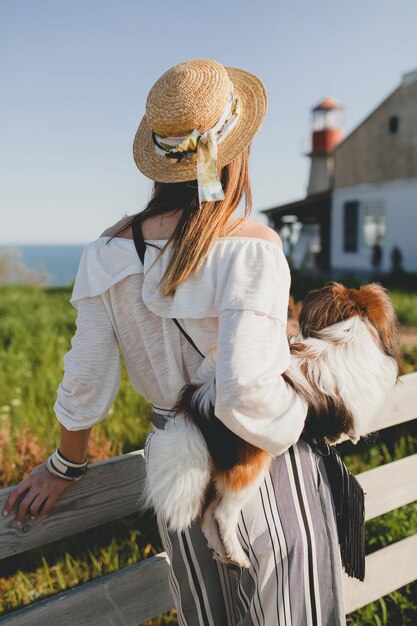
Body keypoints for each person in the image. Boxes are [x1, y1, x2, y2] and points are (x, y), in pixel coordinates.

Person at [3, 59, 346, 625]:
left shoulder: (104, 254)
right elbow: (243, 394)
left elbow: (86, 375)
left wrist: (66, 463)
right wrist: (308, 416)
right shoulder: (251, 246)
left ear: (161, 158)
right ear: (232, 150)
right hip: (261, 471)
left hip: (176, 478)